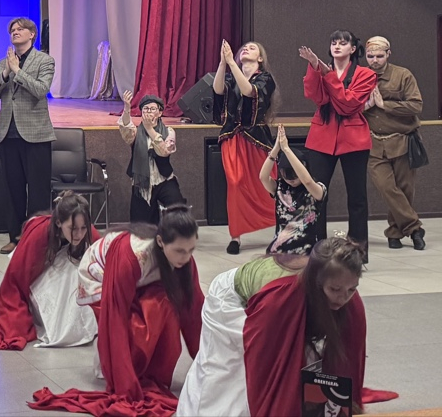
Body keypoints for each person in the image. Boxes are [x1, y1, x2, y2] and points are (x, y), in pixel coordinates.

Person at [176, 238, 398, 416]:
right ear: (317, 281)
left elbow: (349, 359)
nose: (343, 298)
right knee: (231, 370)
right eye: (335, 290)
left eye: (351, 290)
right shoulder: (281, 300)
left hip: (275, 300)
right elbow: (264, 363)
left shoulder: (346, 294)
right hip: (231, 300)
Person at [30, 204, 204, 416]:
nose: (185, 257)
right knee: (133, 325)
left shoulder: (184, 260)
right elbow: (115, 318)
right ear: (160, 241)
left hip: (141, 275)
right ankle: (114, 365)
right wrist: (125, 384)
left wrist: (207, 366)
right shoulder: (131, 255)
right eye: (179, 251)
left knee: (166, 307)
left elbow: (194, 314)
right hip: (100, 272)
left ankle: (149, 371)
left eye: (191, 250)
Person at [0, 191, 101, 351]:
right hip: (37, 279)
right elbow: (15, 279)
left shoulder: (87, 230)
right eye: (73, 228)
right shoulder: (39, 234)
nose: (79, 234)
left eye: (83, 227)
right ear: (59, 223)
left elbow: (106, 262)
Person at [300, 30, 377, 261]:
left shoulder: (366, 74)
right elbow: (316, 96)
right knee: (316, 194)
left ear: (353, 49)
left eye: (343, 43)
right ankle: (316, 248)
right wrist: (314, 67)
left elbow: (348, 104)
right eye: (333, 42)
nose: (337, 46)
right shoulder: (323, 69)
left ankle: (358, 251)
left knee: (357, 197)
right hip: (322, 136)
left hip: (354, 139)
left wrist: (327, 74)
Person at [0, 17, 56, 254]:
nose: (15, 32)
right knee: (13, 190)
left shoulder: (44, 60)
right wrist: (6, 72)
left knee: (38, 191)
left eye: (20, 29)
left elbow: (41, 90)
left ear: (32, 34)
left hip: (36, 135)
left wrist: (18, 71)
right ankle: (15, 237)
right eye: (12, 30)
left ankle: (36, 239)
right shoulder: (2, 63)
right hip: (8, 134)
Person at [212, 40, 279, 255]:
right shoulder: (231, 76)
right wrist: (223, 63)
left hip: (256, 138)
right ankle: (236, 236)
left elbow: (249, 91)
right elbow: (218, 90)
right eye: (244, 48)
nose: (246, 49)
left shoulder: (265, 79)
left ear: (260, 58)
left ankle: (283, 225)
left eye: (252, 48)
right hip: (232, 137)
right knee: (235, 182)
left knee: (268, 183)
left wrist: (232, 63)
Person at [363, 36, 426, 250]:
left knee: (405, 189)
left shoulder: (403, 75)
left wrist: (384, 105)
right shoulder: (360, 77)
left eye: (379, 56)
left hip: (403, 141)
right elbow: (348, 107)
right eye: (370, 56)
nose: (375, 60)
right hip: (373, 144)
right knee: (387, 188)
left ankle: (394, 233)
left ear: (388, 54)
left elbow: (416, 106)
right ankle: (414, 228)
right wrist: (366, 105)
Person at [119, 91, 185, 224]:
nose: (149, 112)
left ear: (160, 113)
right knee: (141, 224)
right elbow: (126, 128)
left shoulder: (169, 131)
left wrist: (150, 129)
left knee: (178, 211)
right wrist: (127, 108)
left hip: (164, 179)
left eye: (152, 109)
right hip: (142, 182)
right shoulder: (136, 132)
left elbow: (164, 152)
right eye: (146, 109)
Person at [261, 124, 327, 255]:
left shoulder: (317, 189)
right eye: (286, 176)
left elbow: (307, 181)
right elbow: (263, 177)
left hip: (306, 251)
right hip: (279, 250)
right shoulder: (279, 188)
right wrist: (276, 149)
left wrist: (286, 149)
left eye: (295, 176)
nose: (291, 180)